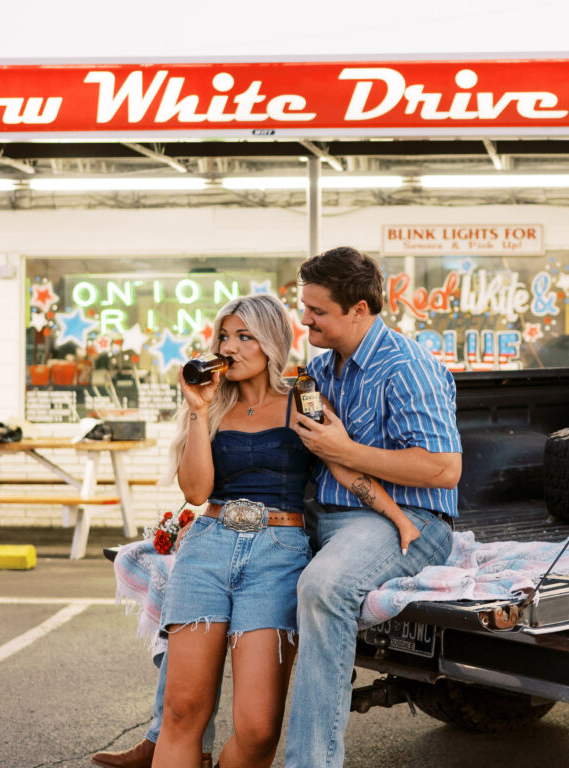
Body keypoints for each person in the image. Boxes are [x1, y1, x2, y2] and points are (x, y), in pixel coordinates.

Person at [147, 293, 414, 768]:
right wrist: (198, 410)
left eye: (245, 336)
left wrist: (396, 516)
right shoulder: (210, 407)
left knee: (257, 728)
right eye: (224, 336)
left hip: (276, 554)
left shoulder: (303, 400)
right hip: (207, 548)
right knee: (182, 710)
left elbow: (344, 465)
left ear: (271, 343)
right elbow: (195, 490)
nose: (230, 347)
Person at [284, 246, 463, 768]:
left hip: (413, 524)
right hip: (328, 516)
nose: (305, 319)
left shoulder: (408, 366)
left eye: (317, 311)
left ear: (359, 309)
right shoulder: (319, 370)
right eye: (304, 307)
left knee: (324, 588)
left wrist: (345, 450)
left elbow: (443, 468)